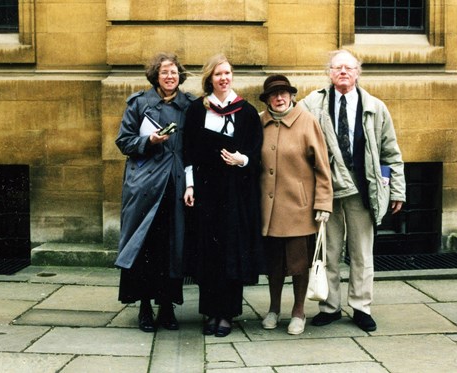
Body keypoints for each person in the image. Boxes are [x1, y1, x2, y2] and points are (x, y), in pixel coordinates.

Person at [300, 50, 406, 332]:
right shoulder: (313, 102)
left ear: (358, 72)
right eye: (337, 68)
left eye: (349, 68)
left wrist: (396, 190)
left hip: (363, 187)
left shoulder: (375, 107)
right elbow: (289, 120)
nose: (343, 72)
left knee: (361, 252)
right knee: (329, 251)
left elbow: (390, 152)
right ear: (329, 73)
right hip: (327, 188)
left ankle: (361, 307)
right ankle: (330, 306)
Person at [183, 54, 264, 338]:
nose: (224, 78)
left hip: (235, 194)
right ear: (210, 78)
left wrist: (241, 159)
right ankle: (210, 312)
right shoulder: (196, 111)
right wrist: (190, 186)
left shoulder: (247, 112)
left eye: (227, 73)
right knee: (208, 252)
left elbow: (256, 154)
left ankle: (227, 314)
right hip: (206, 192)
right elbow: (188, 152)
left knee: (231, 251)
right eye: (218, 74)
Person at [115, 52, 196, 332]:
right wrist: (148, 140)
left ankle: (167, 307)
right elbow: (123, 141)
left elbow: (194, 148)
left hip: (175, 183)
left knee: (171, 246)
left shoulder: (190, 105)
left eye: (174, 72)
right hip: (145, 185)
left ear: (180, 75)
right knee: (145, 247)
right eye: (164, 72)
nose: (170, 77)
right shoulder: (139, 103)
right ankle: (145, 307)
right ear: (155, 76)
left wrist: (190, 183)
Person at [258, 74, 333, 335]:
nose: (279, 98)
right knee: (274, 265)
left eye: (284, 93)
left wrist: (323, 203)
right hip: (269, 210)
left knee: (300, 265)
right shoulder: (260, 122)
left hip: (299, 209)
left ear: (291, 96)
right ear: (267, 99)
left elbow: (323, 168)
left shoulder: (307, 122)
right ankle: (274, 309)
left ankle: (299, 312)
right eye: (273, 94)